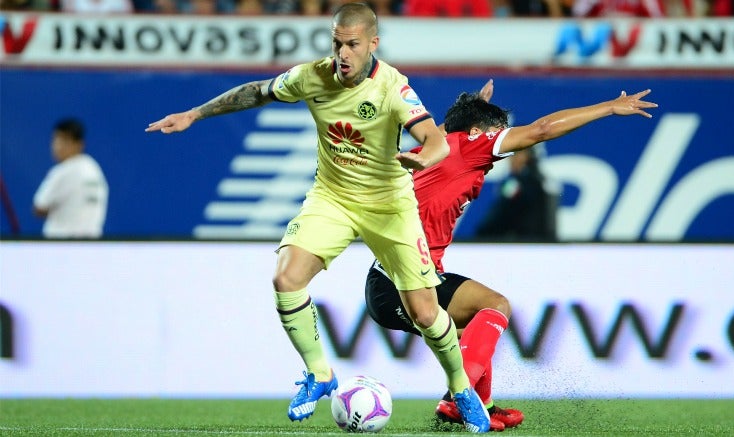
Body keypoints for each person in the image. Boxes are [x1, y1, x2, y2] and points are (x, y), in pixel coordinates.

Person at [145, 3, 491, 433]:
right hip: (332, 199)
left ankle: (461, 387)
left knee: (424, 312)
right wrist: (194, 114)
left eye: (352, 45)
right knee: (286, 278)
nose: (343, 54)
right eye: (337, 43)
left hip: (389, 207)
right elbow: (256, 91)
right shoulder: (312, 76)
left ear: (372, 45)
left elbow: (435, 140)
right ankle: (320, 374)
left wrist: (425, 160)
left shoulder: (393, 88)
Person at [365, 81, 657, 430]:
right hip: (400, 282)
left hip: (397, 279)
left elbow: (448, 131)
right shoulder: (472, 146)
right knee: (496, 306)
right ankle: (460, 398)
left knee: (476, 333)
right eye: (496, 133)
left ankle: (481, 403)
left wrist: (472, 108)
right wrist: (608, 107)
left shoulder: (436, 149)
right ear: (477, 132)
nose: (503, 141)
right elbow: (541, 129)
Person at [33, 118, 109, 239]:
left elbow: (39, 208)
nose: (58, 146)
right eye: (56, 139)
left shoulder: (63, 171)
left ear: (79, 144)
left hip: (60, 246)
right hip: (92, 247)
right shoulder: (94, 169)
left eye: (64, 140)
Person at [475, 144, 557, 242]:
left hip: (523, 244)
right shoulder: (541, 181)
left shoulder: (516, 184)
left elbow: (500, 215)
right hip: (539, 243)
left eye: (516, 154)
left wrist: (481, 234)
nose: (511, 159)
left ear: (527, 156)